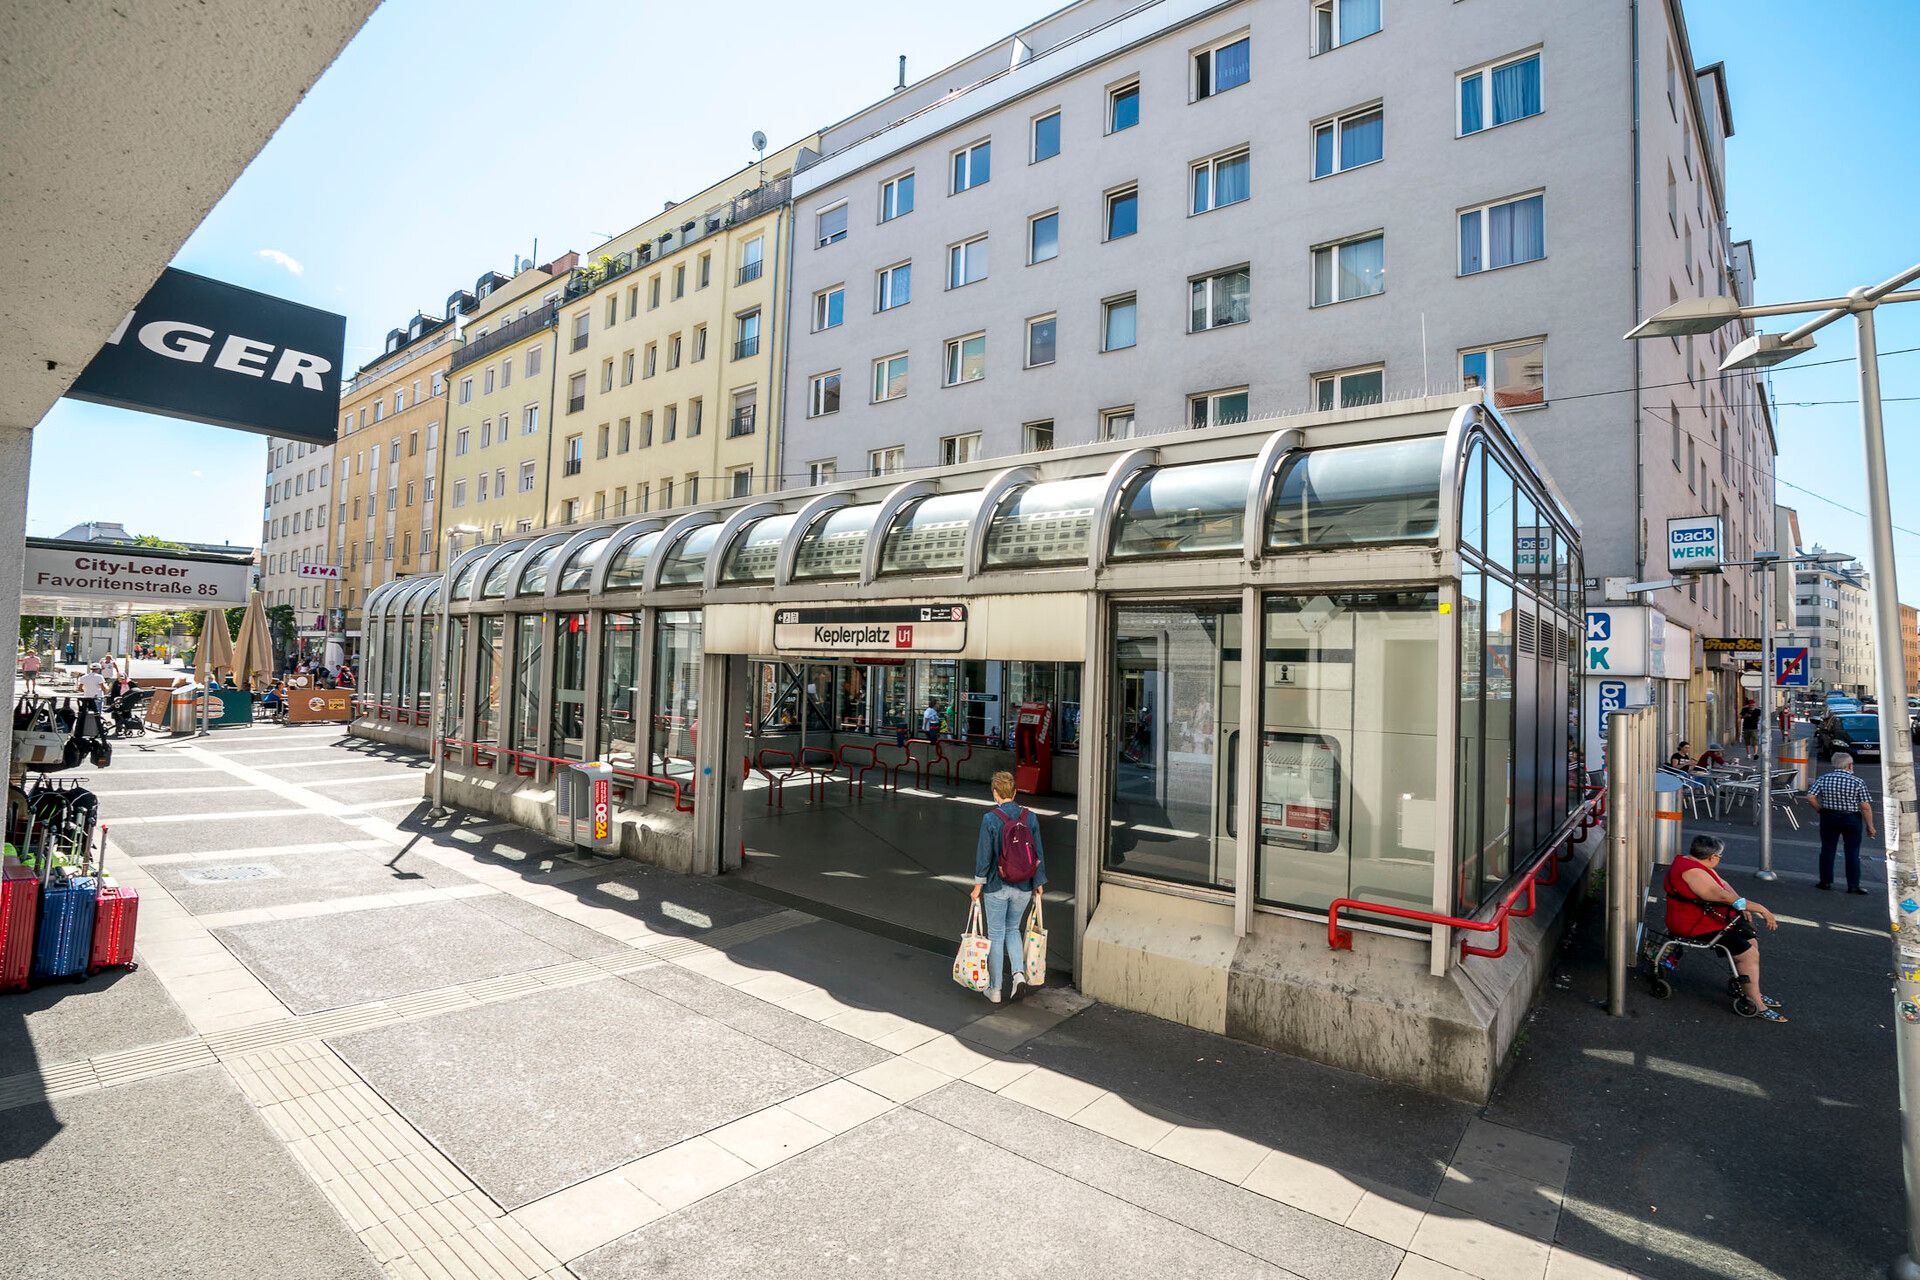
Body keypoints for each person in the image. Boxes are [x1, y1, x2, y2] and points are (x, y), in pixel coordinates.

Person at [1663, 834, 1783, 1023]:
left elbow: (1723, 885)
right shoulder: (1694, 873)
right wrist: (1760, 908)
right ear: (1712, 857)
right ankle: (1755, 1003)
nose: (1719, 859)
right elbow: (1724, 896)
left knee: (1751, 942)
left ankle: (1750, 990)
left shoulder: (1690, 862)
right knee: (1748, 954)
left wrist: (1742, 905)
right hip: (1695, 925)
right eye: (1719, 856)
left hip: (1703, 919)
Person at [970, 771, 1047, 1004]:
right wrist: (1038, 882)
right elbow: (1038, 853)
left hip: (997, 885)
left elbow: (984, 857)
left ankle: (995, 989)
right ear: (1014, 792)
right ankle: (1018, 975)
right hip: (1024, 885)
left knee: (996, 934)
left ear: (995, 793)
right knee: (1013, 929)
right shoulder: (1030, 817)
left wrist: (978, 886)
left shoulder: (990, 819)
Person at [1807, 751, 1876, 894]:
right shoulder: (1857, 782)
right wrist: (1870, 826)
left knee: (1827, 849)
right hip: (1851, 818)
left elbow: (1811, 796)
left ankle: (1825, 881)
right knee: (1852, 851)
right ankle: (1853, 885)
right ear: (1849, 765)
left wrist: (1820, 809)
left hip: (1829, 816)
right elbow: (1865, 806)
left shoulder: (1824, 778)